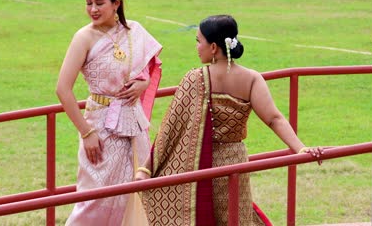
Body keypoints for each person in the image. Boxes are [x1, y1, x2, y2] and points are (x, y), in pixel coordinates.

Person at [136, 15, 324, 225]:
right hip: (236, 160)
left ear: (214, 47)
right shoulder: (252, 78)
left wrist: (146, 169)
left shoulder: (195, 78)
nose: (197, 47)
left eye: (199, 41)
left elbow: (169, 132)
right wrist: (300, 148)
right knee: (236, 216)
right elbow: (274, 118)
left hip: (200, 166)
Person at [56, 0, 163, 225]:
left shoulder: (133, 31)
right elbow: (63, 89)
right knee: (95, 199)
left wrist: (143, 83)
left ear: (116, 3)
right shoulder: (84, 37)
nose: (92, 9)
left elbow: (147, 69)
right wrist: (86, 132)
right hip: (100, 127)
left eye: (99, 3)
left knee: (134, 193)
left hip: (133, 126)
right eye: (88, 2)